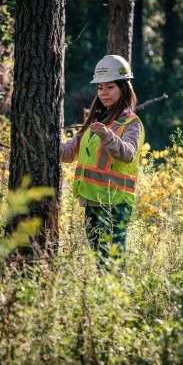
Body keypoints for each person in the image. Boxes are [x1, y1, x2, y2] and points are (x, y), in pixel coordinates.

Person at [60, 54, 145, 261]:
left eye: (110, 87)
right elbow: (69, 153)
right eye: (100, 88)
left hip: (116, 204)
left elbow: (127, 154)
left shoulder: (131, 123)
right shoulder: (95, 121)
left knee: (113, 261)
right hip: (91, 201)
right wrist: (45, 141)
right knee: (100, 260)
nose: (103, 93)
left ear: (123, 88)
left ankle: (119, 295)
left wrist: (107, 136)